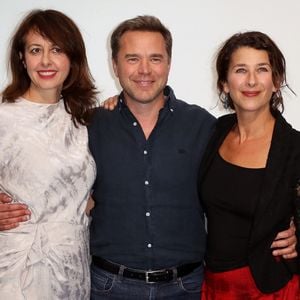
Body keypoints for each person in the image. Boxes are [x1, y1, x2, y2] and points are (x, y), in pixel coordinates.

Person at [0, 15, 297, 300]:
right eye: (132, 59)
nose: (145, 70)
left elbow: (246, 183)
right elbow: (53, 177)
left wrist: (292, 225)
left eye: (155, 58)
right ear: (115, 65)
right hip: (109, 287)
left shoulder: (205, 126)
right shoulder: (90, 124)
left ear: (169, 63)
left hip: (188, 287)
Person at [0, 9, 97, 299]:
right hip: (19, 270)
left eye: (56, 49)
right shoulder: (5, 117)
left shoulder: (82, 118)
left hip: (73, 269)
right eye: (35, 50)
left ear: (72, 57)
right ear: (22, 58)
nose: (45, 61)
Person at [200, 31, 300, 299]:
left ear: (276, 81)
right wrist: (116, 104)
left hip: (271, 288)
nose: (252, 81)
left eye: (262, 70)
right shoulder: (213, 132)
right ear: (224, 82)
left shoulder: (294, 148)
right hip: (214, 285)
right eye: (241, 70)